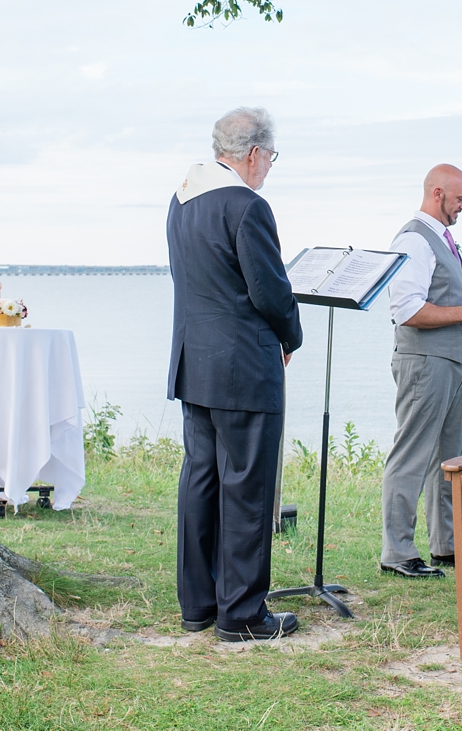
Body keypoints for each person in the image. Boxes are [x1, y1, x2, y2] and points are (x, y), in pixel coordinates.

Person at [166, 107, 304, 641]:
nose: (268, 166)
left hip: (193, 361)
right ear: (252, 153)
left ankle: (198, 604)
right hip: (243, 365)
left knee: (200, 481)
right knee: (246, 487)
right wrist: (290, 335)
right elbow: (269, 289)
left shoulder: (180, 202)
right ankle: (243, 615)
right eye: (270, 157)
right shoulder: (247, 205)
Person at [380, 164, 462, 578]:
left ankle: (446, 546)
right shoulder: (414, 240)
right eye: (461, 199)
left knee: (448, 458)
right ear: (438, 193)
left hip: (450, 361)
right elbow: (406, 310)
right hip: (424, 363)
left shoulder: (442, 238)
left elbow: (442, 301)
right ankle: (398, 553)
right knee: (412, 455)